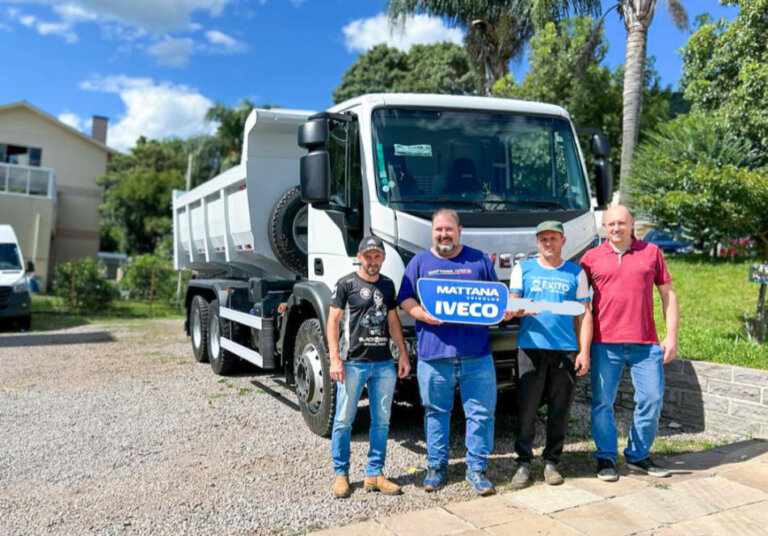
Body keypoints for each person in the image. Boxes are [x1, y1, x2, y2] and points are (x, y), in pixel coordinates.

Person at [397, 208, 514, 496]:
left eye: (449, 229)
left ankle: (477, 469)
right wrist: (421, 314)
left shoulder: (479, 260)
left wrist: (506, 311)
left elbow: (496, 299)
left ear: (459, 231)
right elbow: (405, 299)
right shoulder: (419, 262)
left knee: (481, 414)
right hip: (434, 356)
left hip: (477, 354)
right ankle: (436, 468)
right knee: (436, 413)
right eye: (438, 230)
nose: (444, 235)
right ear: (432, 232)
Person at [580, 205, 679, 481]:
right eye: (610, 224)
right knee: (602, 403)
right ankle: (606, 457)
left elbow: (668, 296)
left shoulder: (651, 252)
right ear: (604, 227)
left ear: (632, 223)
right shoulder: (590, 258)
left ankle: (638, 455)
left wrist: (671, 336)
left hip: (645, 344)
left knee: (652, 399)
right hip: (604, 343)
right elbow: (579, 303)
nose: (616, 228)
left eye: (621, 223)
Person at [508, 221, 592, 488]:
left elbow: (584, 314)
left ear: (563, 241)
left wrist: (584, 351)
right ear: (537, 242)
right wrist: (519, 308)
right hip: (530, 347)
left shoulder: (576, 273)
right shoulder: (523, 269)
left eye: (553, 238)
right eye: (543, 238)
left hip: (565, 350)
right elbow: (511, 305)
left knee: (560, 409)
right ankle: (523, 462)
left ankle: (551, 461)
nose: (548, 243)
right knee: (527, 408)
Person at [327, 236, 411, 499]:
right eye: (368, 257)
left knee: (382, 421)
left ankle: (374, 473)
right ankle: (341, 474)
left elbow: (393, 321)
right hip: (353, 363)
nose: (373, 262)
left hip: (383, 364)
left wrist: (403, 354)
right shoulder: (346, 284)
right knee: (344, 420)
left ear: (382, 258)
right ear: (359, 257)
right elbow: (333, 322)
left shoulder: (387, 285)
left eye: (377, 257)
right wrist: (334, 359)